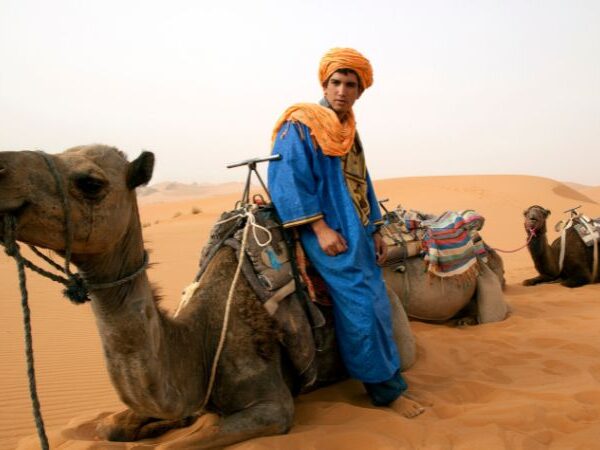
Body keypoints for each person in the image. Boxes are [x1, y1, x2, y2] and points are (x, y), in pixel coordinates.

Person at [268, 47, 424, 418]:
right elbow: (288, 180)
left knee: (377, 300)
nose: (341, 90)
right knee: (360, 305)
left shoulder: (348, 130)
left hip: (356, 229)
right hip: (324, 229)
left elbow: (362, 182)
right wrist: (319, 228)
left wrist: (374, 230)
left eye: (350, 84)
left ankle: (388, 374)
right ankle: (386, 392)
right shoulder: (301, 124)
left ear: (360, 91)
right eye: (335, 82)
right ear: (325, 83)